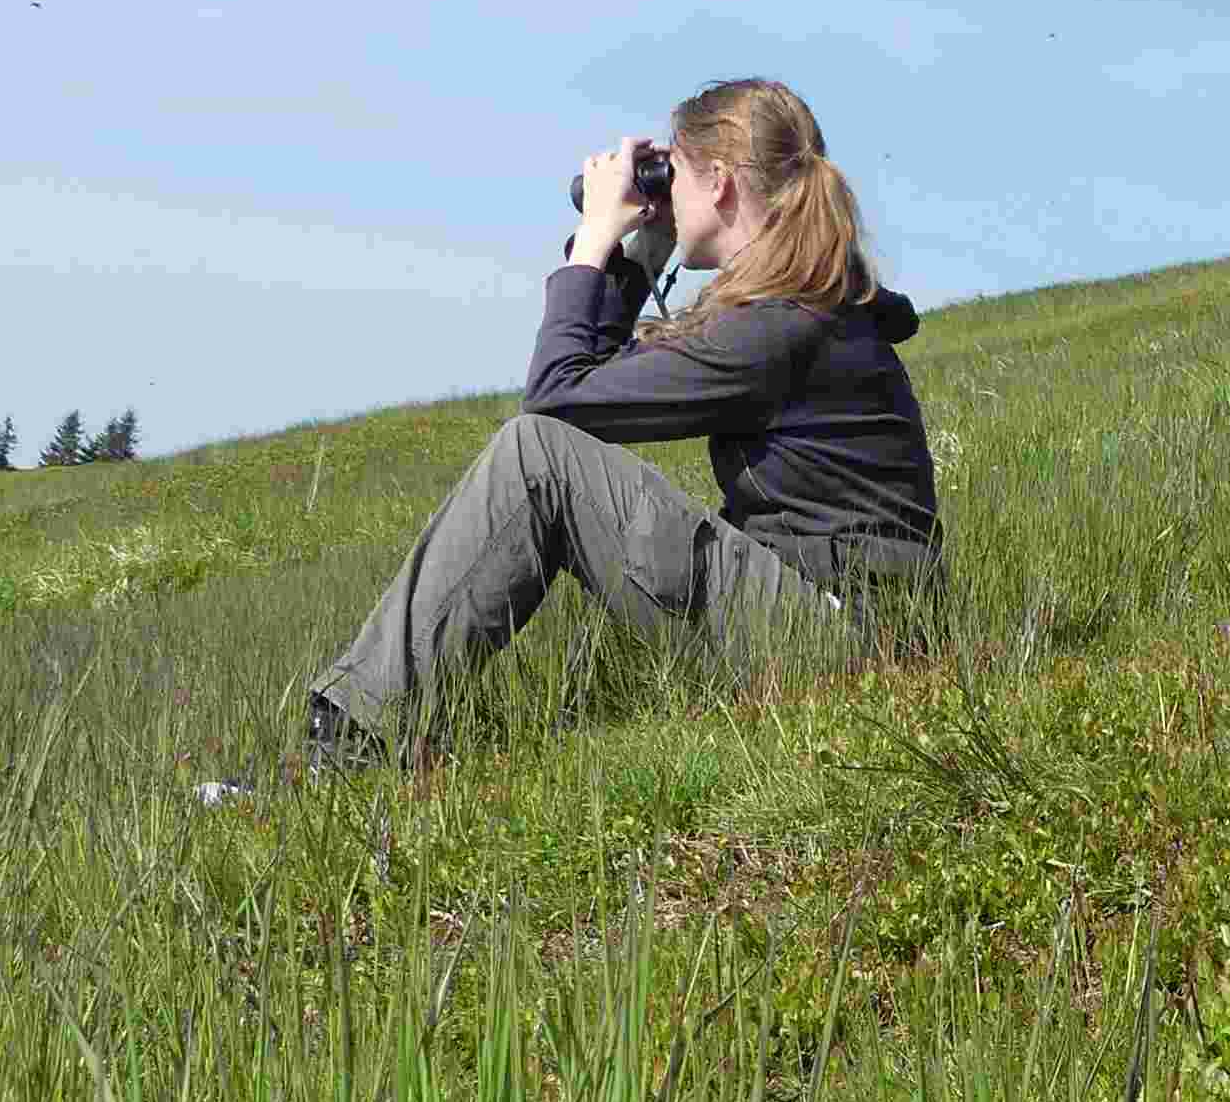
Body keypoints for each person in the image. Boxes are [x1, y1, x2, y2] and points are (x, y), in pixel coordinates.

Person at [294, 77, 942, 777]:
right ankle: (374, 728)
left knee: (534, 455)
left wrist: (597, 239)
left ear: (719, 181)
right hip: (847, 630)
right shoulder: (806, 304)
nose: (666, 196)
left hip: (833, 642)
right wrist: (647, 249)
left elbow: (552, 403)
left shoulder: (775, 328)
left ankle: (353, 745)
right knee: (544, 450)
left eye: (677, 177)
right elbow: (592, 388)